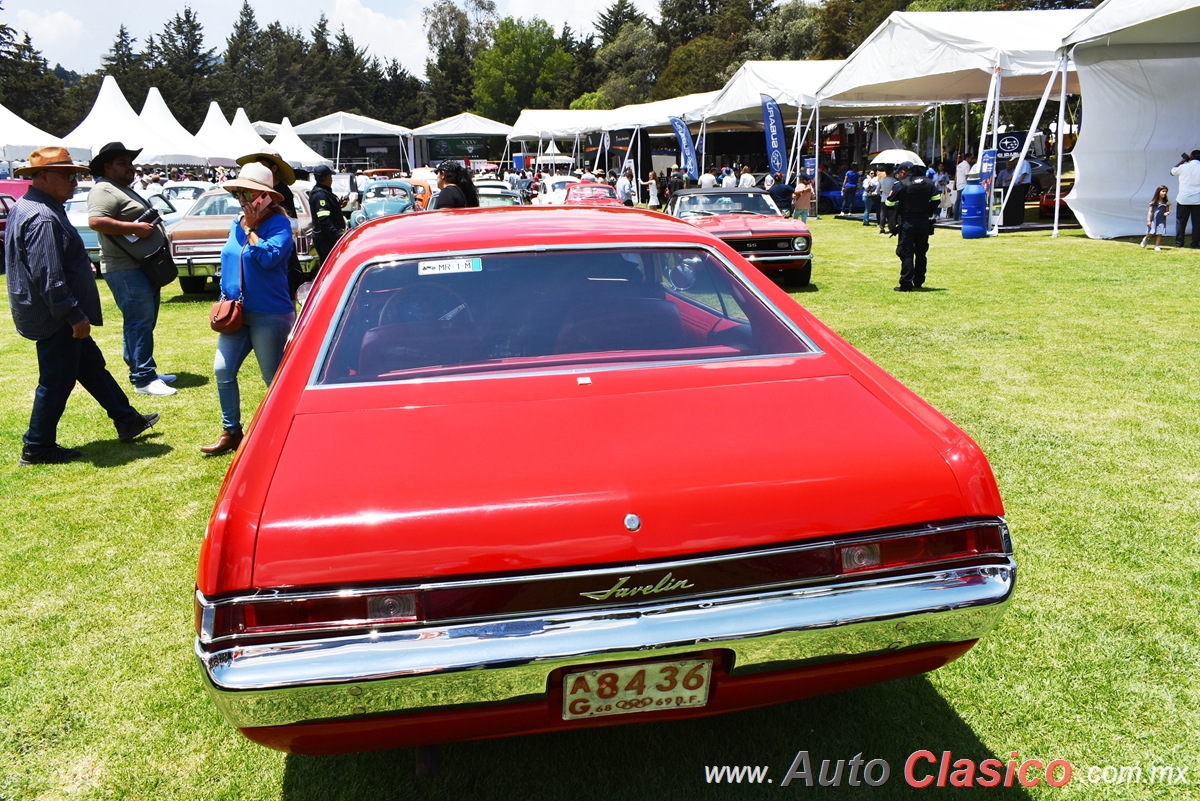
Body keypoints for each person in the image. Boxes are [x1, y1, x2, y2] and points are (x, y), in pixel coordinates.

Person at [6, 146, 158, 465]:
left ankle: (126, 418)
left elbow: (45, 264)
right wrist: (73, 314)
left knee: (90, 365)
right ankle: (37, 446)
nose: (75, 182)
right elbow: (48, 276)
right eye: (67, 175)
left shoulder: (29, 206)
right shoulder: (42, 216)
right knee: (56, 380)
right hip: (56, 315)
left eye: (74, 175)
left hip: (51, 311)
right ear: (42, 177)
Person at [200, 163, 296, 456]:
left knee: (273, 380)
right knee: (222, 369)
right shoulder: (235, 223)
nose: (242, 199)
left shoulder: (279, 225)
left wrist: (253, 230)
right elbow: (230, 258)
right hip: (236, 313)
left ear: (265, 196)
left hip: (270, 313)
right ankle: (231, 431)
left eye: (248, 193)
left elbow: (268, 258)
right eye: (239, 193)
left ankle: (285, 433)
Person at [86, 141, 176, 397]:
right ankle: (144, 378)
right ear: (107, 166)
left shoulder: (120, 188)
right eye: (122, 163)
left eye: (130, 162)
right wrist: (134, 228)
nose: (130, 168)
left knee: (141, 322)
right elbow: (95, 221)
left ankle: (142, 369)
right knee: (139, 322)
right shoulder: (103, 189)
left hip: (140, 266)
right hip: (126, 268)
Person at [236, 148, 304, 295]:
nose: (242, 198)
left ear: (274, 168)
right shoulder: (238, 221)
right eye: (238, 193)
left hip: (279, 245)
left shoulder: (282, 191)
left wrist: (252, 227)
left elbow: (291, 224)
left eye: (262, 165)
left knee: (288, 284)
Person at [884, 162, 940, 292]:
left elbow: (889, 202)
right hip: (923, 223)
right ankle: (919, 280)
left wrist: (893, 221)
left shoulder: (902, 184)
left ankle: (906, 283)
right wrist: (928, 212)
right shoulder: (928, 183)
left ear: (904, 172)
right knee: (921, 253)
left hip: (907, 223)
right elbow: (936, 199)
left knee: (907, 253)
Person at [308, 164, 345, 267]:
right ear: (327, 177)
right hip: (326, 240)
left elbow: (328, 211)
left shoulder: (324, 193)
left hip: (327, 239)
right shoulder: (321, 196)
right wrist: (337, 236)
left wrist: (338, 205)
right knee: (329, 266)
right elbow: (324, 219)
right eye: (330, 176)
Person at [1171, 150, 1200, 248]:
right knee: (1197, 223)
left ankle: (1179, 242)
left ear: (1191, 156)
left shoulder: (1184, 167)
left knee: (1181, 222)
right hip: (1198, 199)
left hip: (1184, 199)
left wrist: (1183, 160)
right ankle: (1195, 243)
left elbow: (1172, 172)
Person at [1141, 185, 1170, 251]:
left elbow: (1167, 210)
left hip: (1161, 219)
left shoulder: (1166, 202)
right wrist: (1148, 220)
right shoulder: (1153, 202)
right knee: (1151, 232)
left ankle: (1157, 245)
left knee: (1160, 232)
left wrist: (1167, 213)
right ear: (1158, 192)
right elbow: (1150, 211)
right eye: (1163, 191)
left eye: (1165, 192)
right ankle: (1146, 238)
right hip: (1153, 220)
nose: (1164, 193)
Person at [954, 153, 975, 221]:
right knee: (962, 202)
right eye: (971, 158)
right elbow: (967, 176)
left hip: (959, 185)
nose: (972, 159)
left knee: (957, 201)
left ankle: (955, 217)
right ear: (967, 158)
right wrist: (969, 185)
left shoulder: (959, 165)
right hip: (964, 185)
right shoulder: (967, 165)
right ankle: (961, 217)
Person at [877, 167, 897, 234]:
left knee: (883, 214)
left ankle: (882, 228)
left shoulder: (882, 180)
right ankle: (891, 228)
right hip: (892, 199)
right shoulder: (894, 180)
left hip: (883, 198)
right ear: (891, 172)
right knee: (891, 215)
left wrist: (881, 195)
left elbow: (877, 190)